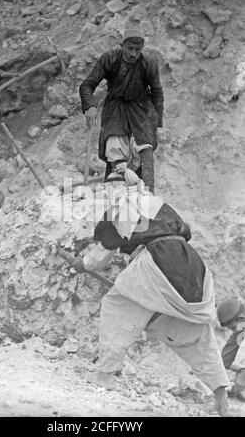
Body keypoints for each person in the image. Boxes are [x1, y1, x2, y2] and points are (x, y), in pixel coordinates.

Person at [72, 155, 231, 416]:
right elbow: (179, 233)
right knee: (192, 329)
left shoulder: (122, 204)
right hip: (192, 265)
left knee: (118, 304)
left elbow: (104, 252)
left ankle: (105, 374)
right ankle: (220, 391)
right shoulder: (155, 202)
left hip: (159, 260)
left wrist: (85, 263)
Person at [79, 28, 164, 193]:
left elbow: (157, 92)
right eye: (130, 49)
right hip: (116, 106)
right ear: (122, 46)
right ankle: (114, 191)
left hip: (141, 106)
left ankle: (148, 193)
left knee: (145, 145)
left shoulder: (149, 63)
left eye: (137, 50)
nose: (133, 53)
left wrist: (157, 120)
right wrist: (89, 105)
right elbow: (87, 85)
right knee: (115, 145)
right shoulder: (109, 59)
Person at [217, 297, 245, 401]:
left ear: (240, 318)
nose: (230, 329)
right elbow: (225, 359)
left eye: (231, 326)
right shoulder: (241, 328)